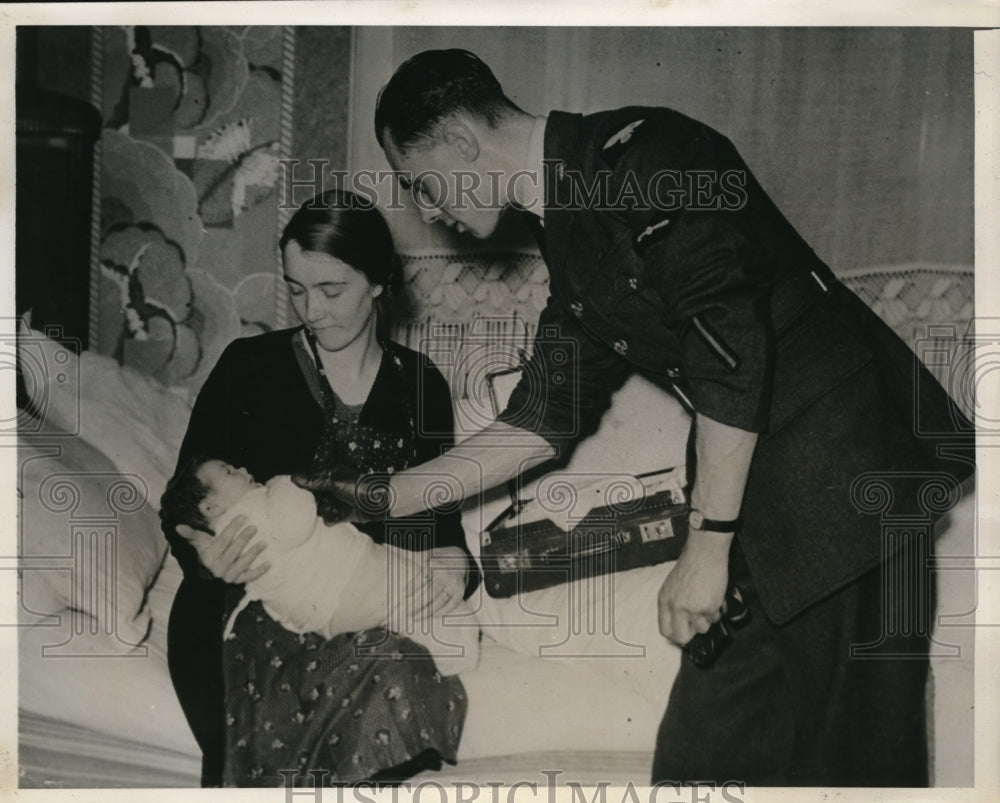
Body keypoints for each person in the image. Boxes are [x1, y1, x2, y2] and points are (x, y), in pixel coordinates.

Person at [305, 49, 975, 786]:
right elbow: (540, 419)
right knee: (701, 756)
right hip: (769, 503)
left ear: (463, 143)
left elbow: (731, 349)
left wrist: (706, 547)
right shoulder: (572, 230)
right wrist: (380, 496)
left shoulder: (650, 155)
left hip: (853, 483)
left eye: (421, 185)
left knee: (855, 772)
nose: (428, 210)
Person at [163, 188, 478, 787]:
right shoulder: (247, 367)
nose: (312, 309)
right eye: (297, 288)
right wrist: (203, 553)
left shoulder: (421, 387)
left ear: (380, 281)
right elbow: (181, 502)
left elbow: (439, 529)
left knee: (402, 673)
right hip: (241, 603)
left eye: (332, 290)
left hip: (358, 608)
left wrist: (453, 565)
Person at [160, 456, 480, 674]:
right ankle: (453, 649)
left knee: (405, 604)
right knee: (414, 598)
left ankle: (421, 651)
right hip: (348, 581)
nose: (242, 468)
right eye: (230, 471)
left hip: (324, 611)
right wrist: (286, 483)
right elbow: (293, 523)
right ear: (209, 506)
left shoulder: (240, 514)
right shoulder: (252, 508)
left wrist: (453, 553)